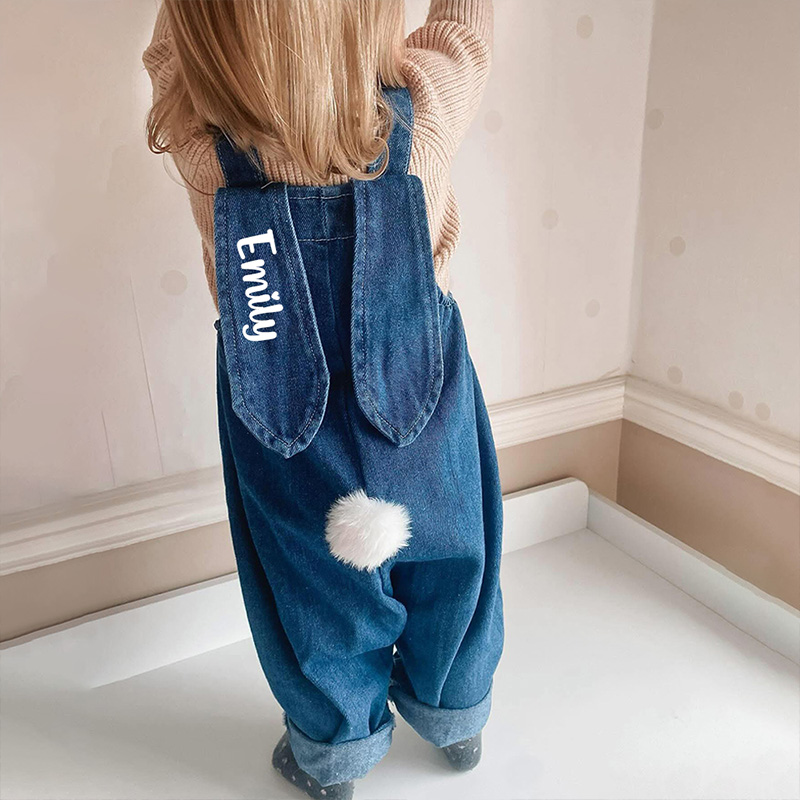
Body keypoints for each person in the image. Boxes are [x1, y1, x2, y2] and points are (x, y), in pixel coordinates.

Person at [143, 2, 502, 797]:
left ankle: (335, 752)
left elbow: (168, 59)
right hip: (422, 392)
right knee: (456, 556)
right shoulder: (427, 106)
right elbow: (465, 37)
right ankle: (456, 713)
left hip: (277, 408)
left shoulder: (197, 137)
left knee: (308, 583)